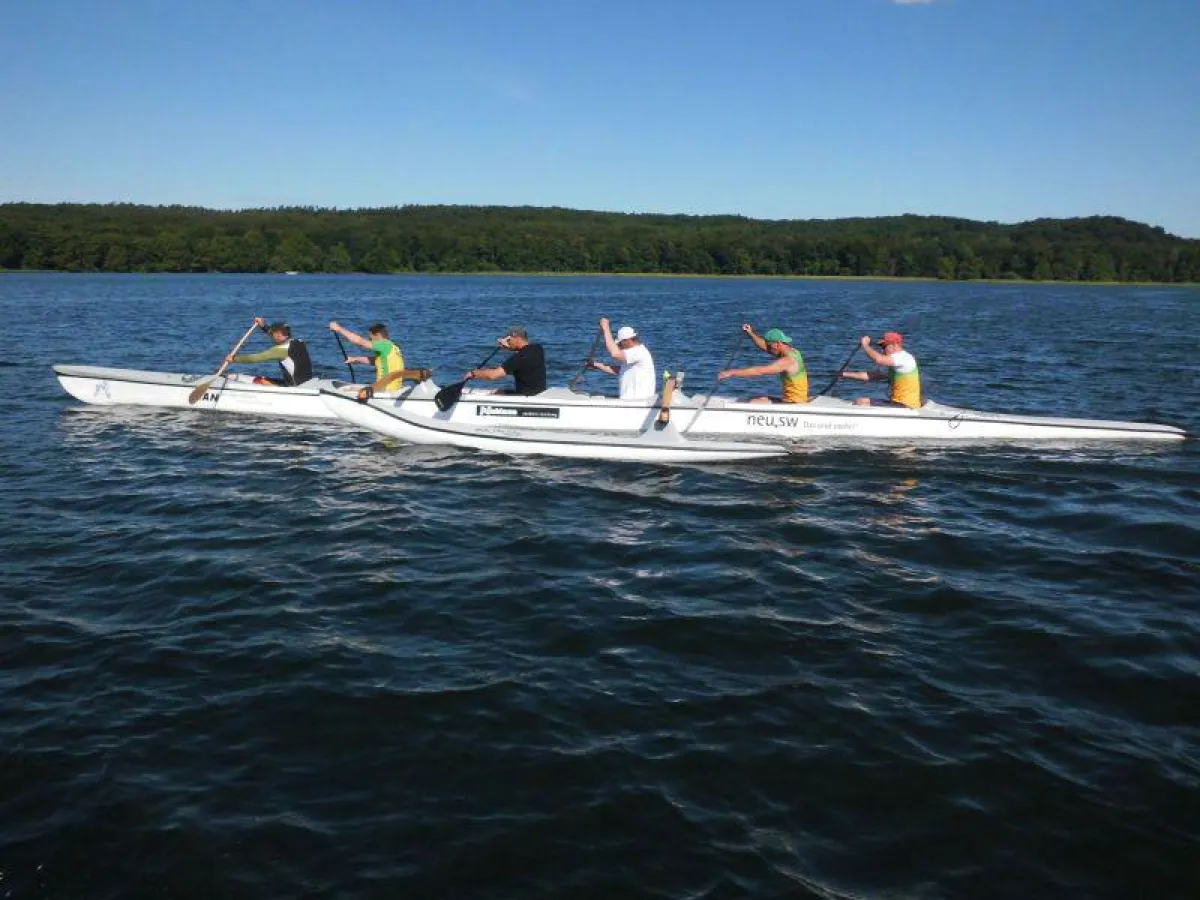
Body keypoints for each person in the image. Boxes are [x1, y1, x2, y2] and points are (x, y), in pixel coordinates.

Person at [717, 324, 808, 404]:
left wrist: (732, 372)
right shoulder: (794, 352)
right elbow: (764, 346)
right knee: (754, 399)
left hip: (794, 404)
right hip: (791, 400)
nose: (768, 348)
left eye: (770, 345)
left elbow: (758, 371)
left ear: (777, 344)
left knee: (753, 403)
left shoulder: (787, 361)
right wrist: (750, 332)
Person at [841, 331, 922, 408]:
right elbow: (872, 376)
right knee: (861, 401)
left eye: (884, 346)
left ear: (894, 345)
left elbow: (879, 360)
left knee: (861, 402)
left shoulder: (904, 358)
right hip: (896, 403)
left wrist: (865, 346)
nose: (883, 350)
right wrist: (844, 374)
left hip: (906, 406)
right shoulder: (894, 364)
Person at [225, 318, 312, 386]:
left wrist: (234, 359)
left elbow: (255, 358)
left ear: (278, 334)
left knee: (236, 377)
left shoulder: (280, 350)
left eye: (272, 334)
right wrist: (263, 326)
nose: (271, 336)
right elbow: (277, 334)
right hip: (306, 383)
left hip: (294, 388)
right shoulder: (299, 342)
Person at [586, 318, 657, 399]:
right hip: (630, 402)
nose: (620, 347)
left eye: (620, 344)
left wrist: (606, 327)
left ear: (627, 341)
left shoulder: (638, 351)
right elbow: (621, 370)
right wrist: (597, 365)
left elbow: (614, 354)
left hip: (637, 402)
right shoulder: (633, 354)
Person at [466, 326, 546, 396]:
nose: (508, 343)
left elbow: (493, 375)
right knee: (498, 392)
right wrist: (509, 347)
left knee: (494, 395)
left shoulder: (520, 357)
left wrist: (474, 373)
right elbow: (522, 353)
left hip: (526, 397)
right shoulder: (537, 349)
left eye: (508, 340)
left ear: (516, 337)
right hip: (537, 393)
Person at [329, 320, 409, 388]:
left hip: (385, 389)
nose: (370, 340)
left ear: (378, 335)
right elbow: (378, 361)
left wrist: (338, 328)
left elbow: (359, 341)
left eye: (371, 338)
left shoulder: (384, 344)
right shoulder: (393, 347)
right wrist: (357, 359)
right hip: (394, 387)